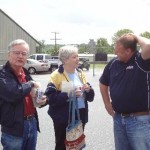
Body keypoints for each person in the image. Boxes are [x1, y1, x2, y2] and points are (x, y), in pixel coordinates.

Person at [99, 34, 150, 150]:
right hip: (118, 119)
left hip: (139, 121)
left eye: (118, 51)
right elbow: (103, 83)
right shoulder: (113, 63)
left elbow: (148, 45)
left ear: (128, 51)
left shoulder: (142, 61)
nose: (116, 54)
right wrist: (107, 103)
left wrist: (134, 36)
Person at [44, 45, 95, 150]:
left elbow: (90, 98)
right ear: (65, 60)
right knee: (62, 146)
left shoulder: (80, 73)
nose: (78, 59)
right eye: (74, 57)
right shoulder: (56, 75)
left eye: (77, 56)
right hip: (63, 117)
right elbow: (50, 98)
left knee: (77, 144)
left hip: (80, 114)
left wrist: (89, 90)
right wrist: (69, 94)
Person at [0, 39, 46, 150]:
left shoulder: (25, 72)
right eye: (16, 53)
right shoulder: (2, 74)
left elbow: (32, 93)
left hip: (32, 122)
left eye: (24, 54)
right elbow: (14, 93)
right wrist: (30, 84)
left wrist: (42, 100)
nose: (20, 56)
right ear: (8, 54)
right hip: (13, 128)